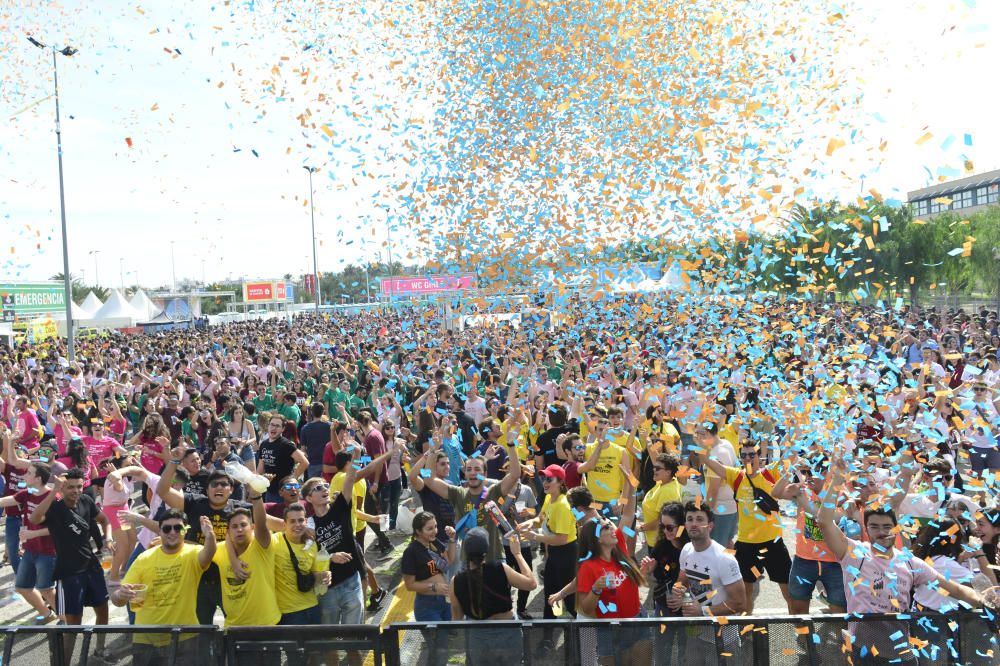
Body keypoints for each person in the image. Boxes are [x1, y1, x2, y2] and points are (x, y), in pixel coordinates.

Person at [816, 457, 984, 665]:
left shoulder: (911, 563)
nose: (881, 532)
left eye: (887, 527)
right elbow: (824, 521)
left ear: (895, 528)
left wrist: (982, 602)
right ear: (866, 529)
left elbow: (954, 589)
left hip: (899, 655)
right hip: (861, 653)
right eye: (875, 527)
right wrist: (838, 479)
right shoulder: (853, 553)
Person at [29, 468, 114, 664]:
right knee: (74, 623)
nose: (76, 491)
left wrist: (107, 538)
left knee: (103, 609)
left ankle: (100, 651)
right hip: (68, 572)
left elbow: (104, 520)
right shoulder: (55, 508)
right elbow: (34, 519)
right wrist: (53, 492)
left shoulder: (86, 501)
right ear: (62, 488)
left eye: (79, 486)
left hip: (91, 565)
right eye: (70, 487)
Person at [112, 510, 217, 665]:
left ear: (185, 530)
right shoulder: (144, 558)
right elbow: (117, 600)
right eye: (167, 528)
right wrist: (121, 594)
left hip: (185, 636)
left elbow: (208, 553)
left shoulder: (193, 553)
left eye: (178, 528)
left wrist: (210, 535)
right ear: (159, 531)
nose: (172, 532)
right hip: (146, 639)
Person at [702, 440, 792, 612]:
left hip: (773, 543)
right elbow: (709, 462)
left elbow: (790, 456)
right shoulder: (736, 476)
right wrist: (701, 445)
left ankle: (799, 631)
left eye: (752, 455)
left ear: (759, 456)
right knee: (745, 592)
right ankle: (747, 629)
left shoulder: (769, 473)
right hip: (746, 545)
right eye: (743, 455)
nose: (748, 458)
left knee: (788, 591)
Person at [670, 501, 748, 666]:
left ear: (710, 525)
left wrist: (703, 611)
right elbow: (683, 579)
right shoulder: (686, 550)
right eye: (690, 519)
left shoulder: (724, 558)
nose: (694, 523)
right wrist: (678, 592)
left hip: (723, 639)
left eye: (699, 519)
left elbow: (740, 603)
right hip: (695, 633)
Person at [576, 514, 657, 666]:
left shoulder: (619, 552)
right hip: (610, 630)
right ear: (597, 538)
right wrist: (596, 589)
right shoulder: (588, 567)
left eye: (610, 523)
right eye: (606, 527)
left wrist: (644, 571)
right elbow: (586, 609)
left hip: (637, 620)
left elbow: (631, 587)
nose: (612, 527)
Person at [449, 527, 537, 665]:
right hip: (509, 633)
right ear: (486, 550)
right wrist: (518, 553)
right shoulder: (500, 568)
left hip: (478, 637)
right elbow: (531, 584)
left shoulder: (456, 581)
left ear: (465, 551)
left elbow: (457, 619)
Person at [518, 464, 578, 623]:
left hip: (567, 553)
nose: (545, 482)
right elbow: (541, 519)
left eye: (549, 479)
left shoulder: (563, 506)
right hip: (555, 552)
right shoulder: (550, 497)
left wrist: (535, 537)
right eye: (544, 478)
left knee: (569, 597)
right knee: (550, 591)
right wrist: (531, 522)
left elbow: (562, 538)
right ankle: (551, 625)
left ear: (560, 482)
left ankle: (584, 627)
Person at [214, 496, 279, 630]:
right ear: (228, 532)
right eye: (235, 526)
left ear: (252, 527)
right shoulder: (220, 549)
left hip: (266, 625)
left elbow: (262, 525)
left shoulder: (262, 545)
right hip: (233, 628)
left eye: (243, 525)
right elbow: (196, 550)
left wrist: (256, 497)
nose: (239, 529)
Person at [274, 502, 329, 625]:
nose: (297, 525)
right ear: (284, 524)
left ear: (306, 522)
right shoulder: (275, 541)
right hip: (288, 613)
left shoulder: (312, 544)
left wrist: (325, 576)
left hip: (313, 607)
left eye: (300, 520)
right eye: (292, 521)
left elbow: (315, 574)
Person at [402, 511, 457, 621]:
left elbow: (449, 561)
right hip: (427, 606)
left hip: (445, 600)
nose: (435, 531)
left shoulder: (434, 542)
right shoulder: (411, 552)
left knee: (450, 636)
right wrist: (433, 587)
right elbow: (410, 585)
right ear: (418, 531)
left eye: (435, 527)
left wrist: (452, 539)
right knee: (438, 638)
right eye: (430, 529)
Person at [257, 414, 308, 502]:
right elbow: (260, 469)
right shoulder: (264, 444)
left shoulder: (286, 444)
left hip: (285, 492)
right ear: (268, 426)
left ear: (283, 429)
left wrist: (292, 479)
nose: (274, 428)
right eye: (272, 424)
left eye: (277, 426)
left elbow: (305, 462)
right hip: (269, 490)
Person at [300, 402, 331, 479]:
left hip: (313, 463)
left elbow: (303, 450)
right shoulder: (330, 426)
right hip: (329, 463)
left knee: (314, 488)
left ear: (311, 412)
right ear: (323, 412)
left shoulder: (305, 428)